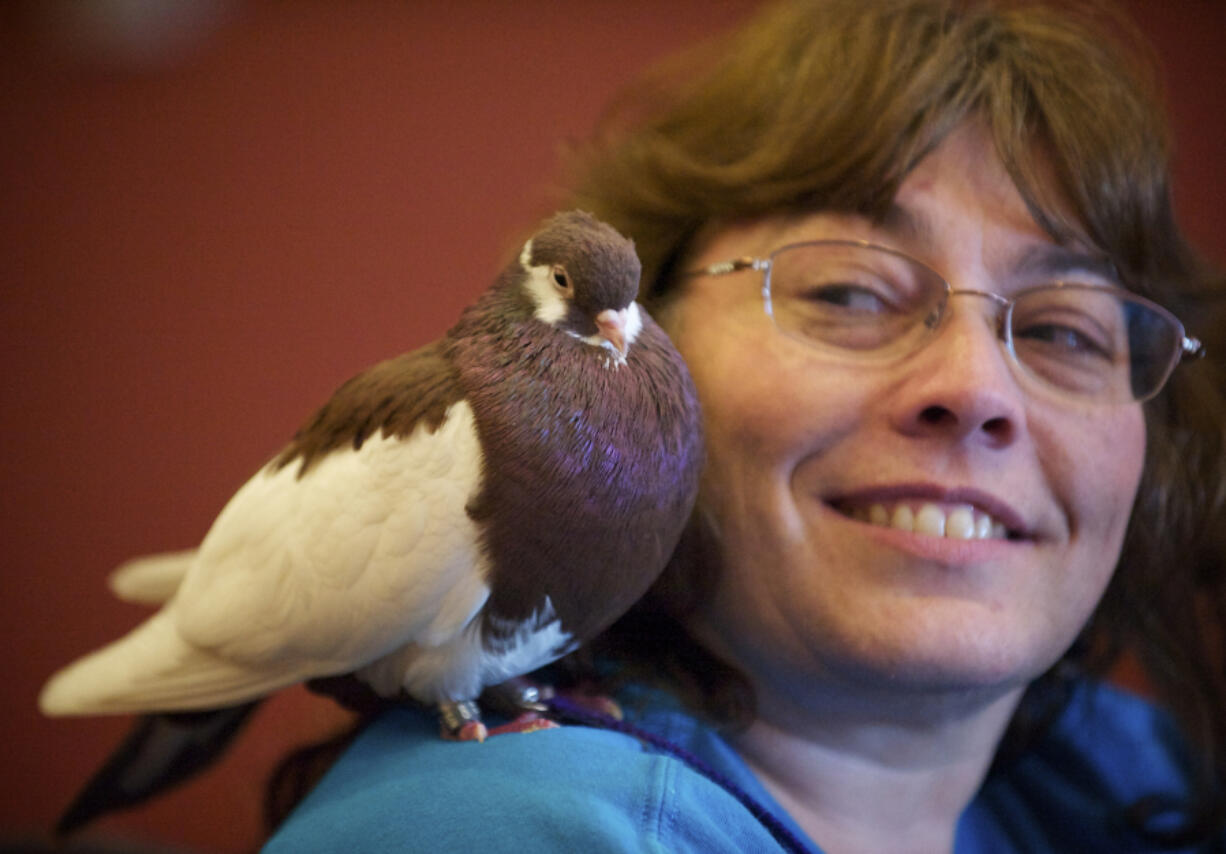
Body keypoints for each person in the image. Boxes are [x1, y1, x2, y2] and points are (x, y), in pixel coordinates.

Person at [262, 0, 1226, 851]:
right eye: (849, 291)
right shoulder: (527, 829)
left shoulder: (1125, 774)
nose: (977, 389)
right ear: (638, 357)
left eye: (1065, 329)